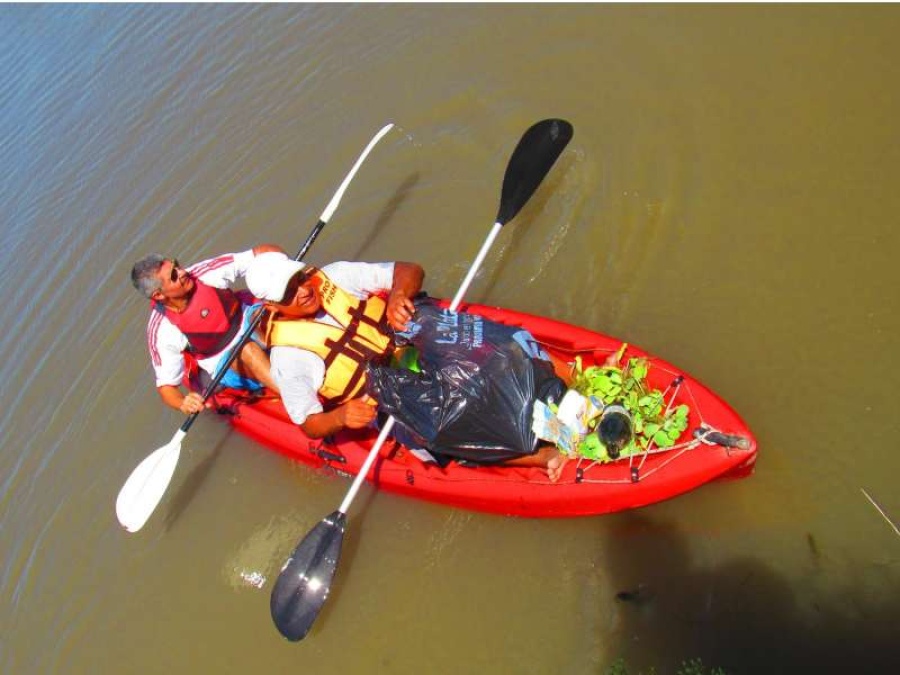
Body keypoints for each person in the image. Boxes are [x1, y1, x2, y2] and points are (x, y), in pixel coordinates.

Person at [245, 252, 572, 481]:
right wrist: (340, 417)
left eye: (299, 278)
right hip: (388, 397)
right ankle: (543, 456)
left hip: (412, 341)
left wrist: (397, 295)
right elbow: (308, 423)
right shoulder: (289, 357)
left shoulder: (335, 276)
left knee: (501, 345)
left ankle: (573, 380)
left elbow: (408, 269)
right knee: (444, 428)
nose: (303, 290)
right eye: (288, 292)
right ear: (272, 305)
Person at [130, 245, 284, 415]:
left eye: (177, 266)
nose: (183, 273)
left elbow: (263, 252)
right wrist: (182, 403)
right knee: (248, 349)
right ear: (158, 295)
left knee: (271, 309)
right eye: (174, 276)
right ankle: (295, 398)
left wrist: (287, 268)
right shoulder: (161, 330)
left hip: (248, 317)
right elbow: (166, 387)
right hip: (227, 359)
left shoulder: (204, 273)